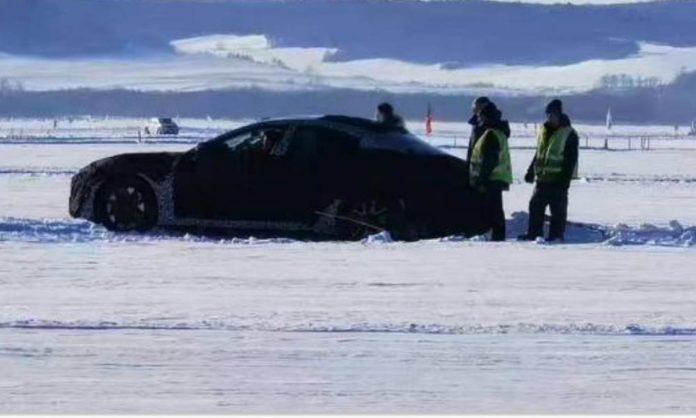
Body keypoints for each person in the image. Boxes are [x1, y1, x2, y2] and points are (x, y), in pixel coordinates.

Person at [518, 99, 579, 242]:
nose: (550, 118)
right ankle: (533, 234)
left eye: (552, 115)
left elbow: (570, 160)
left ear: (559, 115)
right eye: (548, 115)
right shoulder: (543, 130)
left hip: (558, 181)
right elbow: (539, 152)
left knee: (557, 212)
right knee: (535, 207)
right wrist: (531, 171)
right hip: (542, 179)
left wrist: (564, 181)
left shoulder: (569, 133)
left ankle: (556, 237)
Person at [469, 101, 513, 241]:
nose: (479, 120)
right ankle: (496, 235)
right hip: (494, 179)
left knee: (492, 211)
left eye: (481, 117)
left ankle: (496, 237)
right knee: (495, 210)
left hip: (491, 179)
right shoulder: (496, 132)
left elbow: (489, 161)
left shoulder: (490, 134)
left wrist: (481, 180)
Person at [466, 97, 510, 164]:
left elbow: (490, 157)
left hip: (489, 171)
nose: (475, 110)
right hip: (475, 167)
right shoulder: (477, 125)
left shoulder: (494, 126)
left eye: (478, 107)